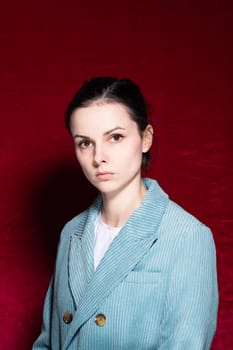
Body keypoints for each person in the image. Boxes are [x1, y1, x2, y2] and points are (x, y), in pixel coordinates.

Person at [33, 77, 218, 350]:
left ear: (145, 139)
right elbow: (48, 342)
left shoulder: (187, 237)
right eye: (85, 143)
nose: (99, 157)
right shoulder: (72, 232)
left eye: (115, 137)